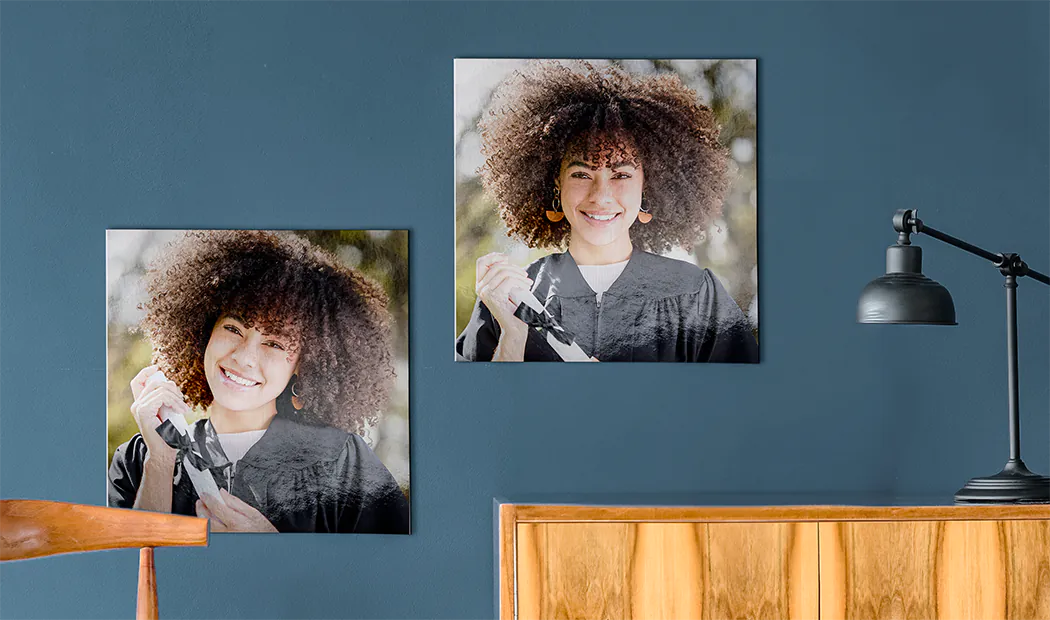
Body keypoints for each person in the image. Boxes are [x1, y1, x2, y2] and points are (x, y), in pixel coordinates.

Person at [456, 60, 759, 363]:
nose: (600, 196)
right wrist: (513, 335)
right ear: (555, 187)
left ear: (647, 189)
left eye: (621, 175)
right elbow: (474, 407)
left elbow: (745, 403)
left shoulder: (696, 296)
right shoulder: (511, 297)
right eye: (581, 174)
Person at [108, 230, 410, 534]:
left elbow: (399, 573)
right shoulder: (138, 459)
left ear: (302, 366)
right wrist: (160, 462)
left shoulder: (344, 464)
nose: (245, 357)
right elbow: (118, 575)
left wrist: (271, 548)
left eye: (275, 344)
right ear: (204, 333)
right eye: (233, 328)